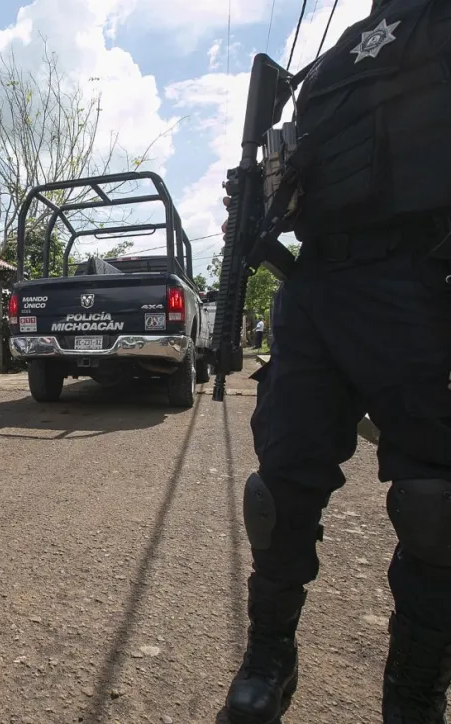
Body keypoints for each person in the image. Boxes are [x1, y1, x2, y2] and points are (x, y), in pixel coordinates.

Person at [219, 0, 451, 722]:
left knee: (436, 507)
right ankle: (270, 659)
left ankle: (413, 695)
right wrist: (257, 201)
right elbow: (299, 179)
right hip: (314, 284)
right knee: (280, 490)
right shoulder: (328, 65)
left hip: (422, 275)